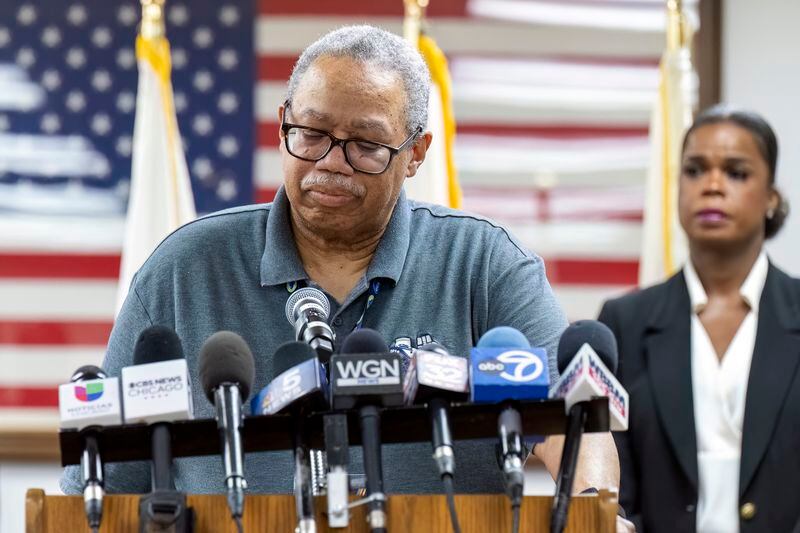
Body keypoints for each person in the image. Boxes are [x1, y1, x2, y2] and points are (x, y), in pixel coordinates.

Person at [62, 25, 629, 529]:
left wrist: (592, 506)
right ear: (283, 122)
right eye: (310, 133)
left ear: (416, 153)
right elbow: (108, 476)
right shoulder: (183, 270)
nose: (331, 161)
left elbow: (573, 421)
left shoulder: (484, 262)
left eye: (364, 144)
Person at [599, 105, 799, 532]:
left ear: (771, 198)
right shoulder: (624, 323)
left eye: (736, 172)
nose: (711, 186)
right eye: (694, 170)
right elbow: (614, 486)